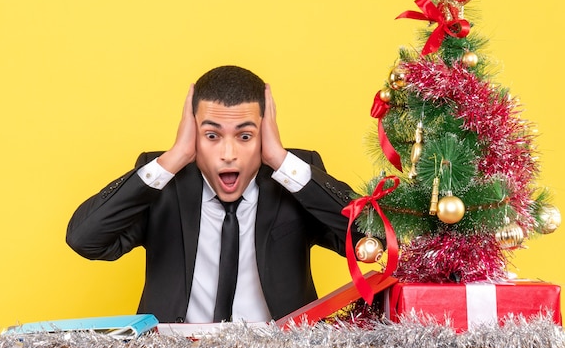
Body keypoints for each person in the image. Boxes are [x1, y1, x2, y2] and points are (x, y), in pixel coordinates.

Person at [66, 65, 355, 323]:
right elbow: (85, 240)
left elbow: (373, 236)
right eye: (212, 136)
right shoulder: (165, 184)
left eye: (245, 136)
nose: (228, 154)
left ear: (264, 134)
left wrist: (280, 159)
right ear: (192, 133)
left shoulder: (295, 179)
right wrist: (175, 157)